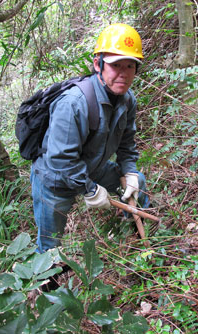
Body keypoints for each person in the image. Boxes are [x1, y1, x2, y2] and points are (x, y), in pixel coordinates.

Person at [30, 23, 150, 253]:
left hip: (92, 166)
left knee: (139, 184)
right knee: (49, 244)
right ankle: (47, 283)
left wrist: (130, 172)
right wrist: (90, 190)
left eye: (130, 66)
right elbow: (60, 159)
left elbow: (126, 142)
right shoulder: (74, 103)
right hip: (53, 179)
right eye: (115, 65)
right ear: (98, 64)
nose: (123, 74)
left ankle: (135, 238)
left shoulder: (127, 100)